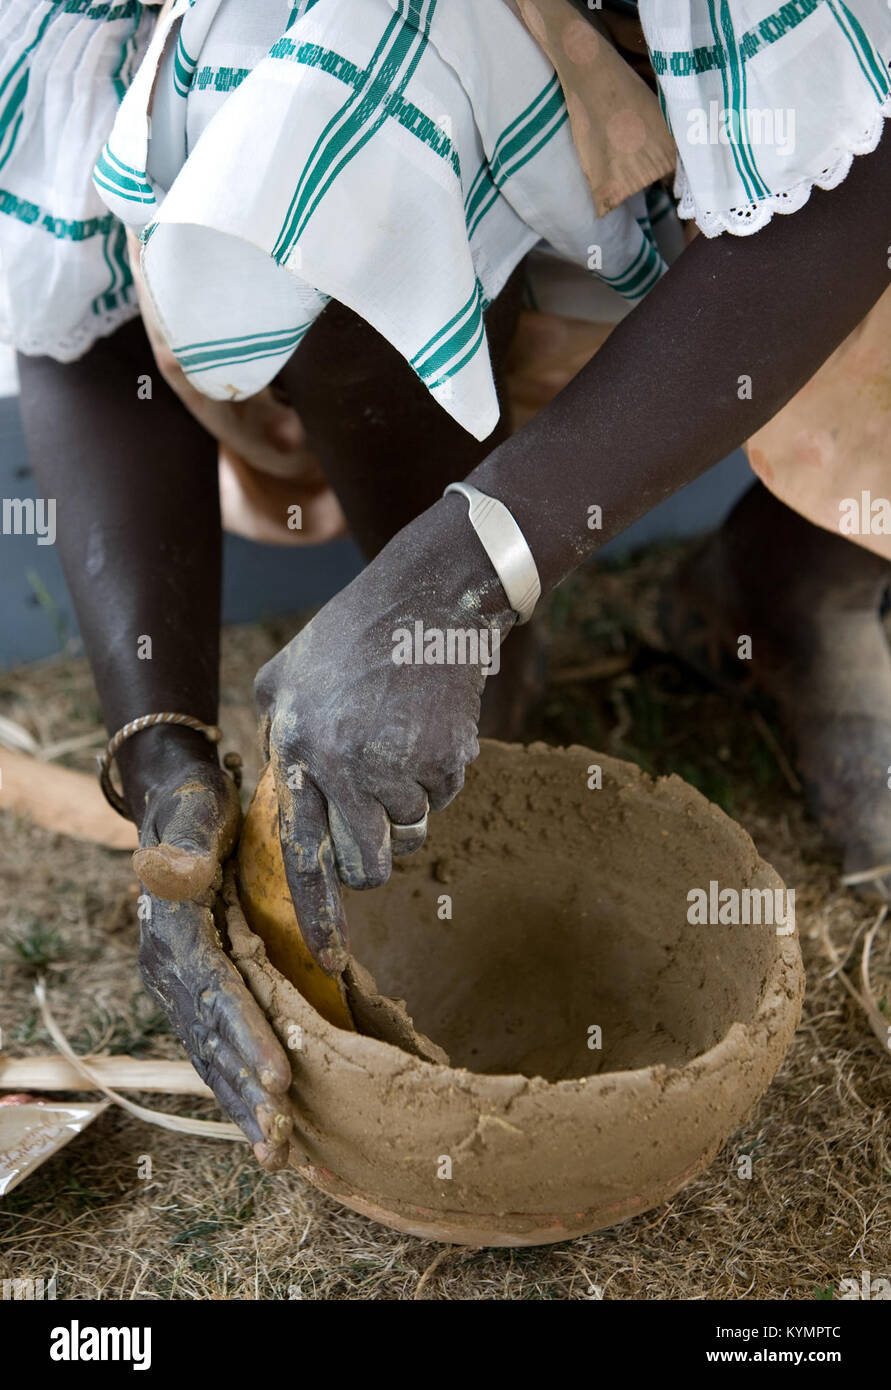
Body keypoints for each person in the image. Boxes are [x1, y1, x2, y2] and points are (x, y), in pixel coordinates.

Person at [3, 0, 890, 1169]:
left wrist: (463, 572)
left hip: (768, 207)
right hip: (518, 223)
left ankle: (795, 578)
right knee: (285, 105)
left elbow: (852, 190)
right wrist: (159, 754)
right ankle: (480, 670)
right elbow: (75, 293)